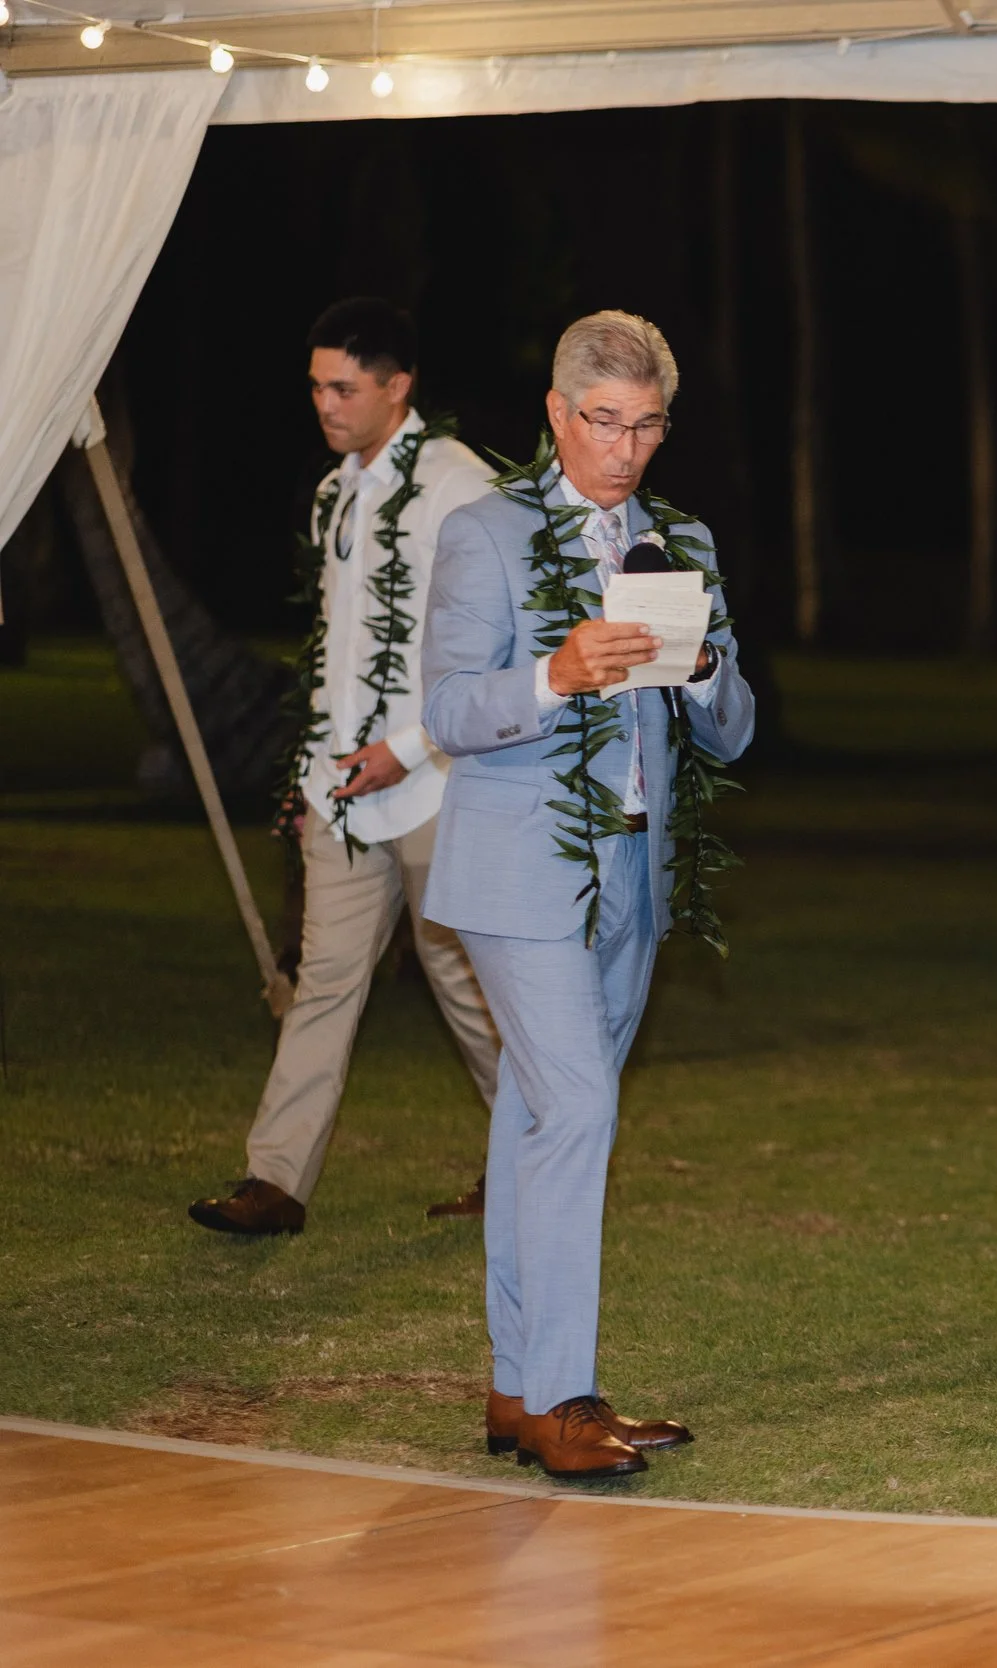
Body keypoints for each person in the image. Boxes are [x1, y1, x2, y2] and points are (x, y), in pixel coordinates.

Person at [421, 310, 754, 1480]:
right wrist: (554, 674)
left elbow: (733, 732)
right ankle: (567, 1398)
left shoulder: (680, 540)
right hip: (519, 871)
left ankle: (518, 1393)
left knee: (534, 1119)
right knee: (577, 1113)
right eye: (602, 423)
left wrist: (706, 666)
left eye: (645, 426)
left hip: (631, 869)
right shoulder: (489, 536)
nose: (623, 449)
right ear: (557, 415)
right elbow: (450, 712)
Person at [189, 298, 501, 1239]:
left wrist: (409, 747)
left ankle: (536, 1161)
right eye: (317, 386)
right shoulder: (335, 494)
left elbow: (489, 651)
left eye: (344, 387)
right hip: (343, 789)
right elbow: (336, 646)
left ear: (398, 386)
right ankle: (274, 1181)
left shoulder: (462, 486)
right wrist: (311, 766)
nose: (325, 403)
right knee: (324, 978)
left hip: (440, 781)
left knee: (468, 984)